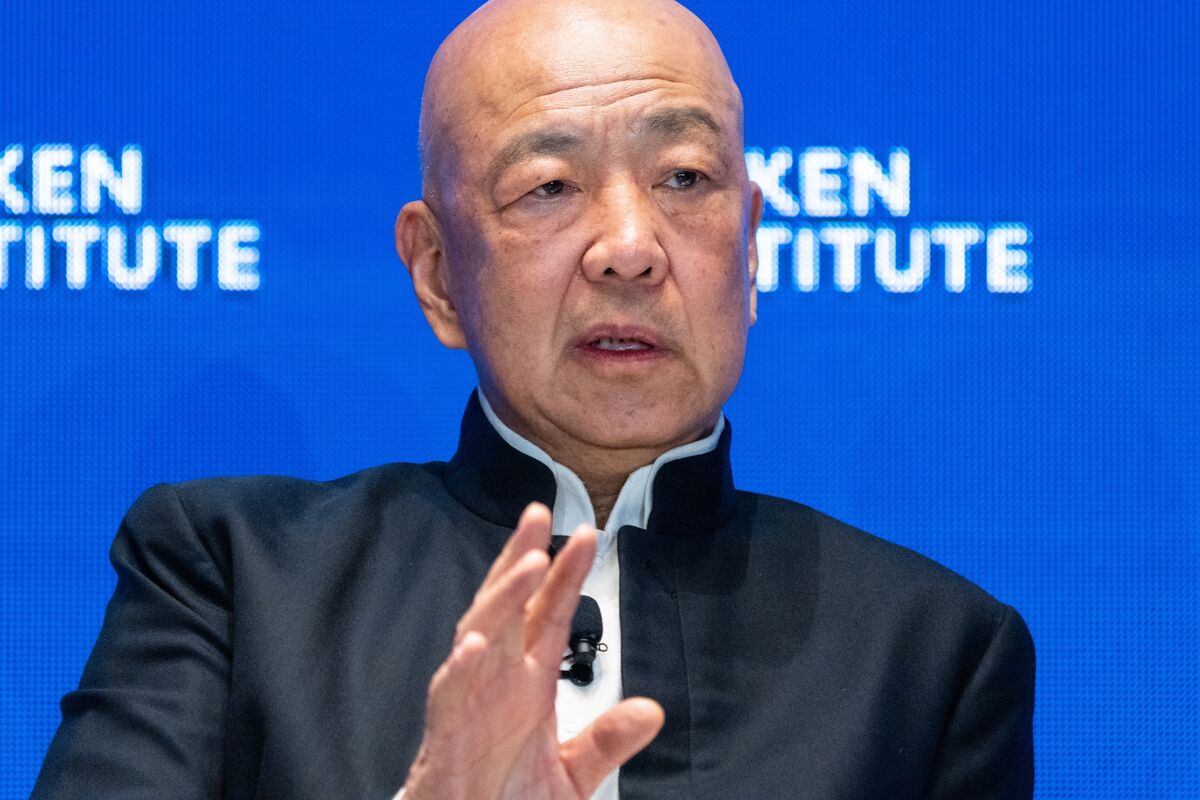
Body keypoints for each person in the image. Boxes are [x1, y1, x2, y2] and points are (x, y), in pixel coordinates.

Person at [31, 1, 1035, 798]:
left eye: (686, 178)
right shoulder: (232, 575)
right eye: (550, 187)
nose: (631, 248)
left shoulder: (931, 651)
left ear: (751, 245)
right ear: (436, 273)